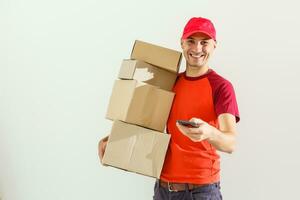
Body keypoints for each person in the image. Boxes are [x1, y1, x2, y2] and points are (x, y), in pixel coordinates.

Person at [99, 17, 240, 200]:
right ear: (182, 43)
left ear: (214, 45)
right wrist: (112, 141)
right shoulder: (171, 83)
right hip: (163, 189)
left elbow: (230, 144)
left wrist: (209, 132)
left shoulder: (221, 87)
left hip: (200, 192)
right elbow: (146, 122)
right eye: (191, 41)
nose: (197, 49)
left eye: (204, 42)